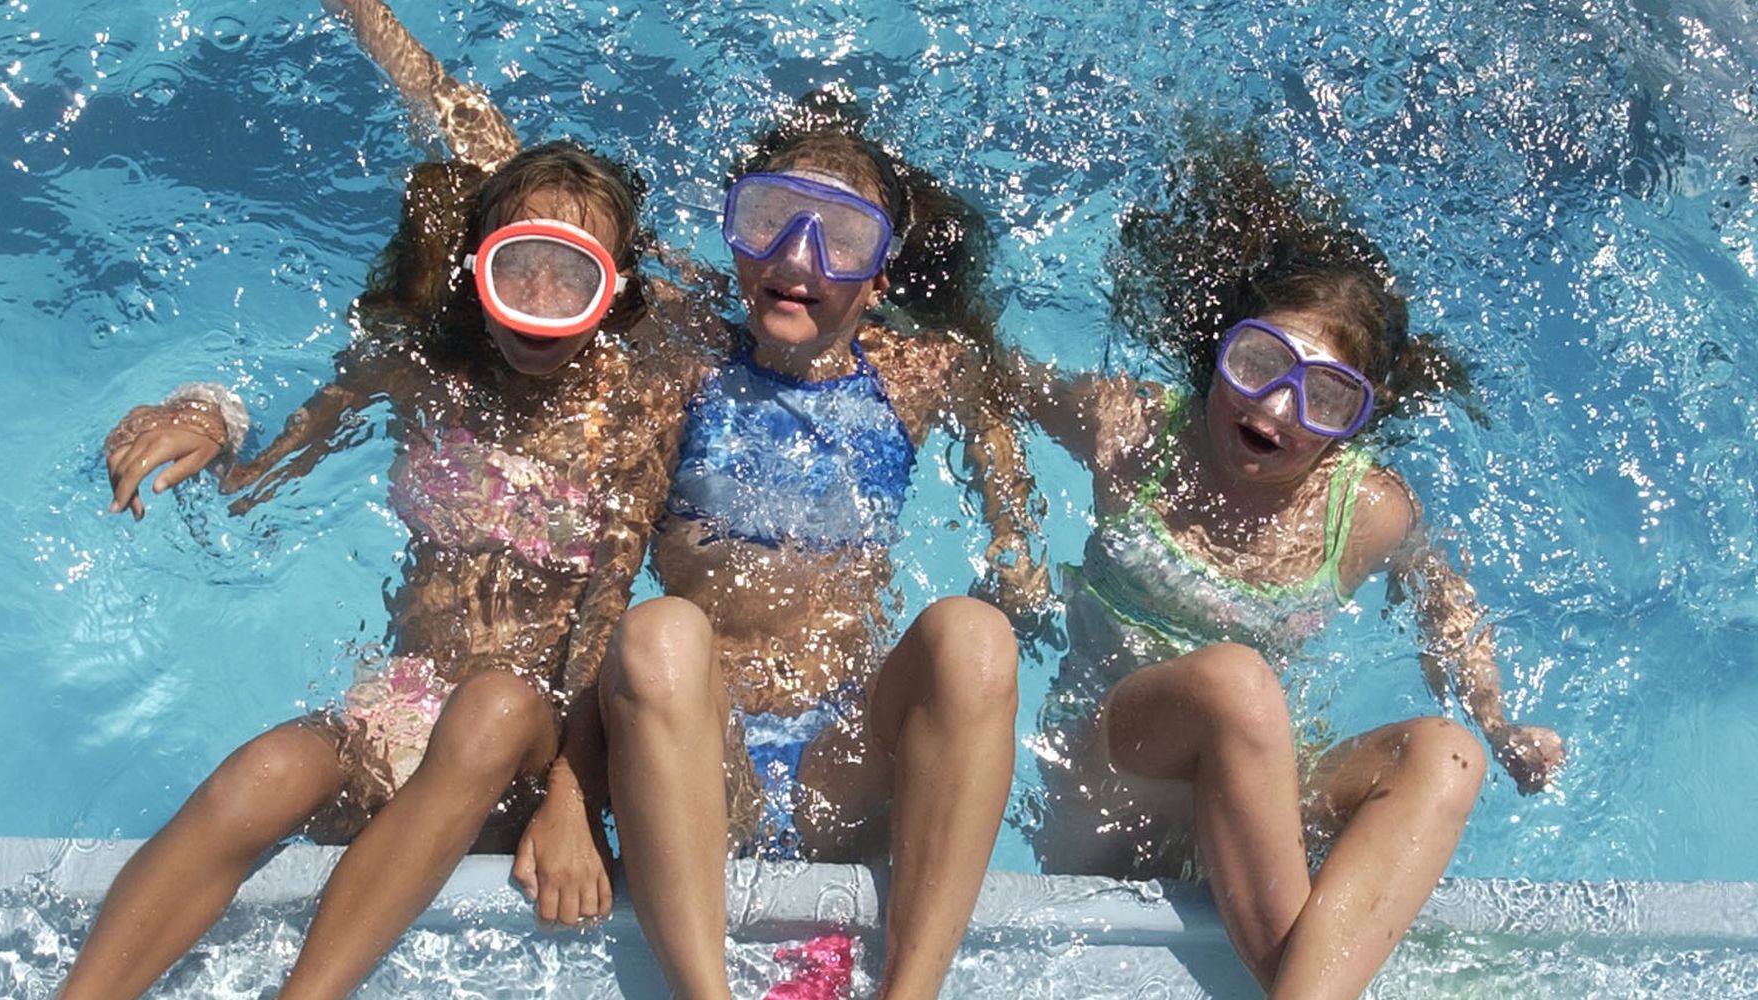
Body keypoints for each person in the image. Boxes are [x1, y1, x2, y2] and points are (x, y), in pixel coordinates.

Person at [58, 0, 686, 998]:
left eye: (569, 279)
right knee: (271, 764)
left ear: (618, 293)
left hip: (533, 745)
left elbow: (611, 604)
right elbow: (256, 480)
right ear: (477, 269)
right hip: (400, 712)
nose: (537, 309)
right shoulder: (420, 373)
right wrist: (207, 417)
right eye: (514, 272)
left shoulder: (639, 400)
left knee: (490, 704)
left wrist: (579, 796)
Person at [1019, 126, 1567, 999]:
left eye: (1327, 396)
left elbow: (1442, 595)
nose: (1277, 404)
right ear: (1221, 349)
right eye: (1260, 361)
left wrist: (1497, 724)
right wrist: (1011, 524)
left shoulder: (1369, 511)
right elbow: (996, 384)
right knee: (1235, 682)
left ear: (1360, 418)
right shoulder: (1133, 430)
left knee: (1444, 755)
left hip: (1259, 809)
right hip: (1111, 784)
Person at [593, 94, 1049, 1000]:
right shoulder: (682, 346)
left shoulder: (919, 373)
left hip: (844, 758)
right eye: (768, 218)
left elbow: (999, 425)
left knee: (974, 638)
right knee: (657, 632)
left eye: (841, 239)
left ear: (880, 275)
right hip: (701, 760)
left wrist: (1013, 534)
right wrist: (366, 9)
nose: (795, 257)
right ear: (736, 233)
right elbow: (545, 198)